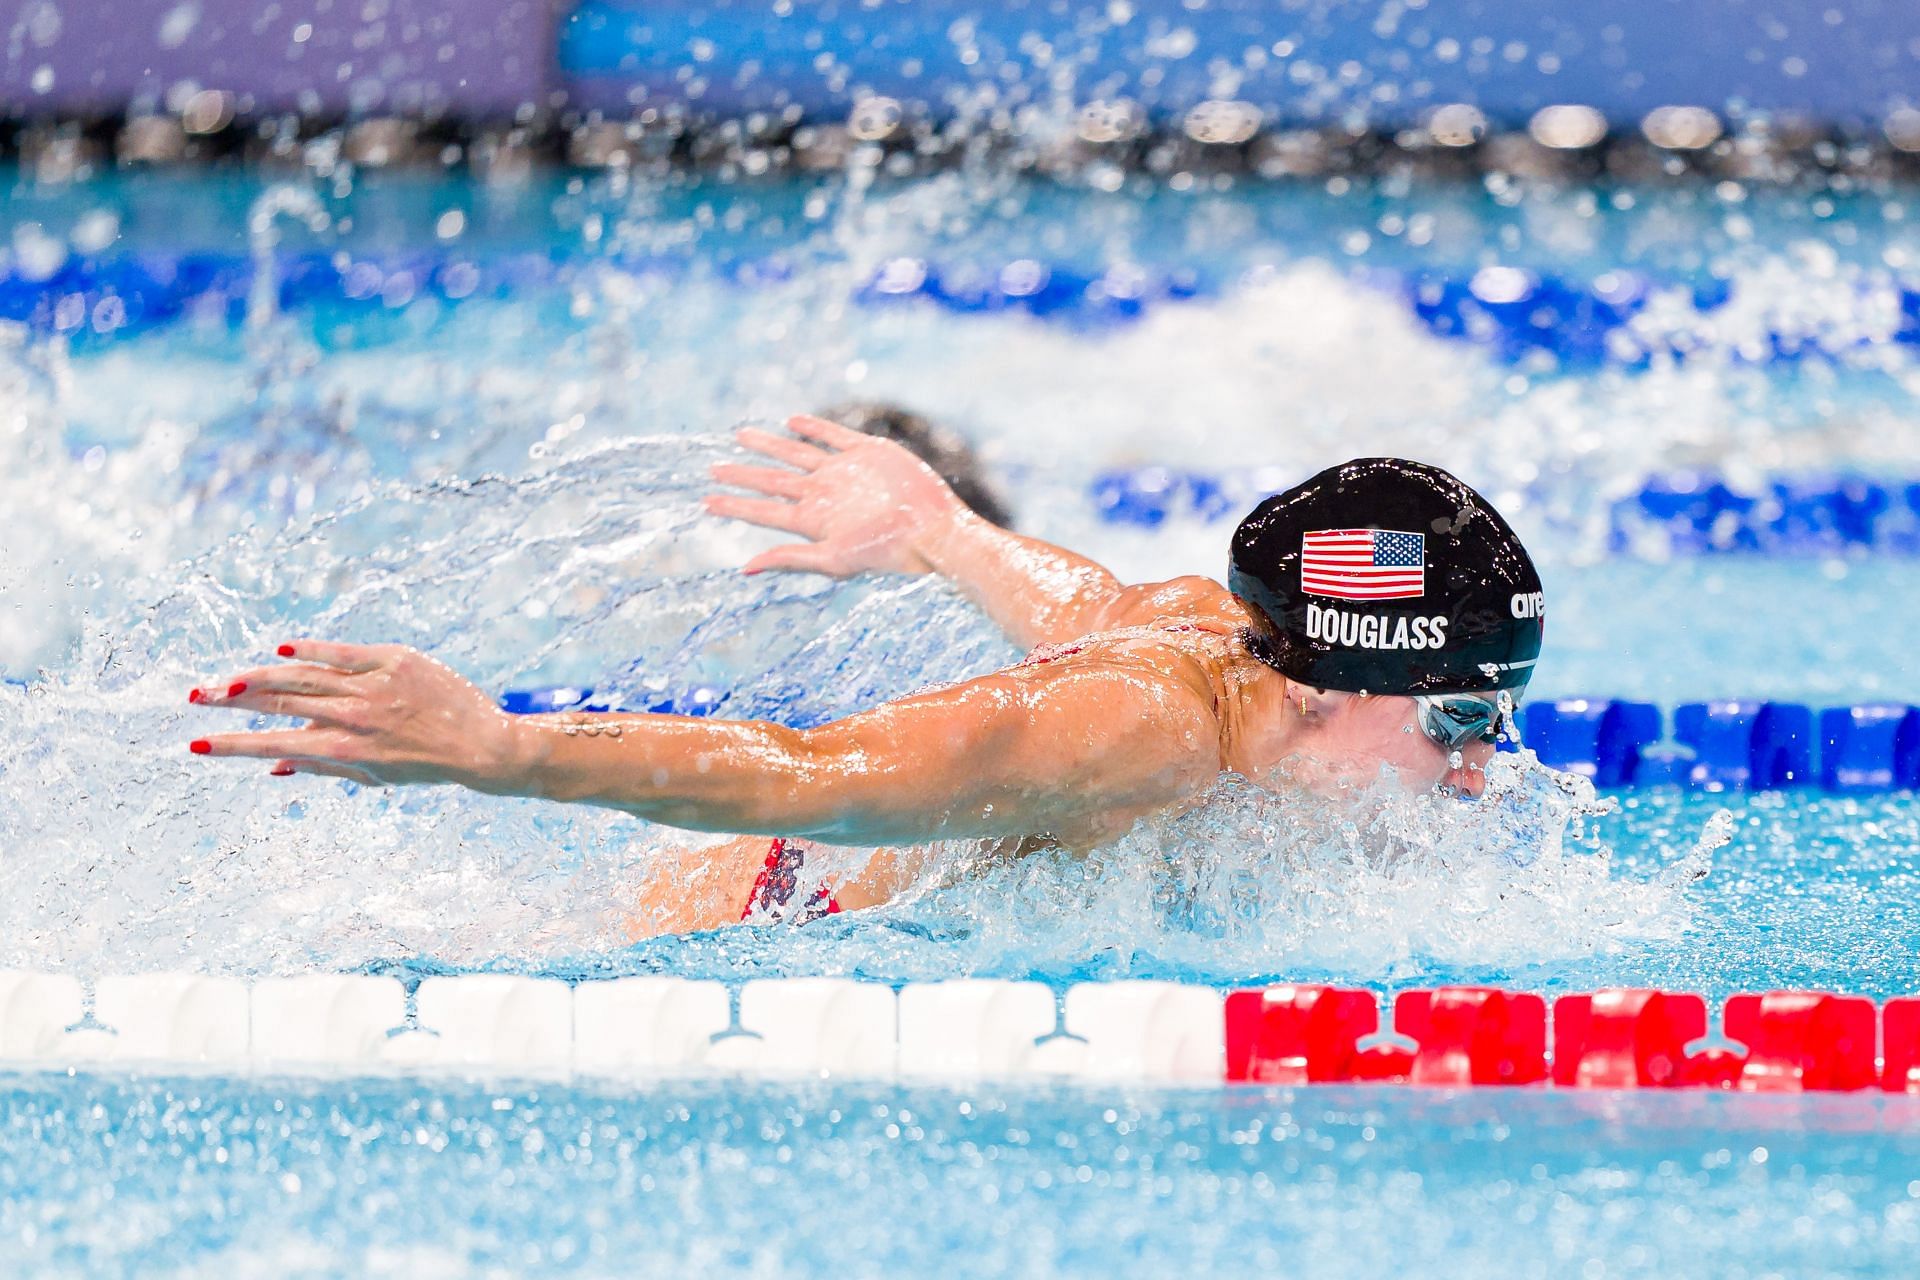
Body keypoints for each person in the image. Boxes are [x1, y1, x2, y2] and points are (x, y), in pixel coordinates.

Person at [185, 416, 1546, 936]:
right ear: (1326, 681)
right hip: (749, 928)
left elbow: (1097, 598)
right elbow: (812, 774)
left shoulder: (1218, 639)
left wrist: (943, 533)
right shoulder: (1140, 733)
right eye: (1464, 722)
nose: (1484, 771)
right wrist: (503, 749)